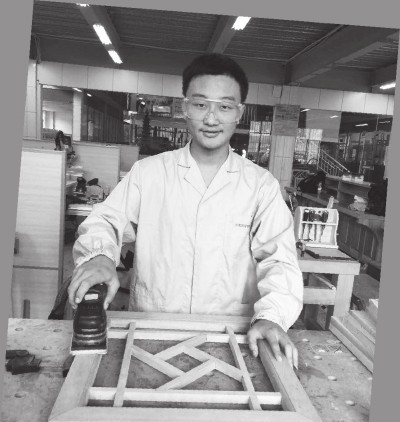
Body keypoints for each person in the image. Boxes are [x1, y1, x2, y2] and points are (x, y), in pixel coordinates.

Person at [68, 53, 303, 368]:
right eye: (201, 104)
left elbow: (280, 261)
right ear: (185, 107)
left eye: (224, 107)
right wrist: (99, 257)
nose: (211, 118)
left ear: (239, 113)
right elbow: (105, 221)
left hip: (232, 339)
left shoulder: (261, 186)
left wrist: (272, 317)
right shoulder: (149, 174)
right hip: (150, 332)